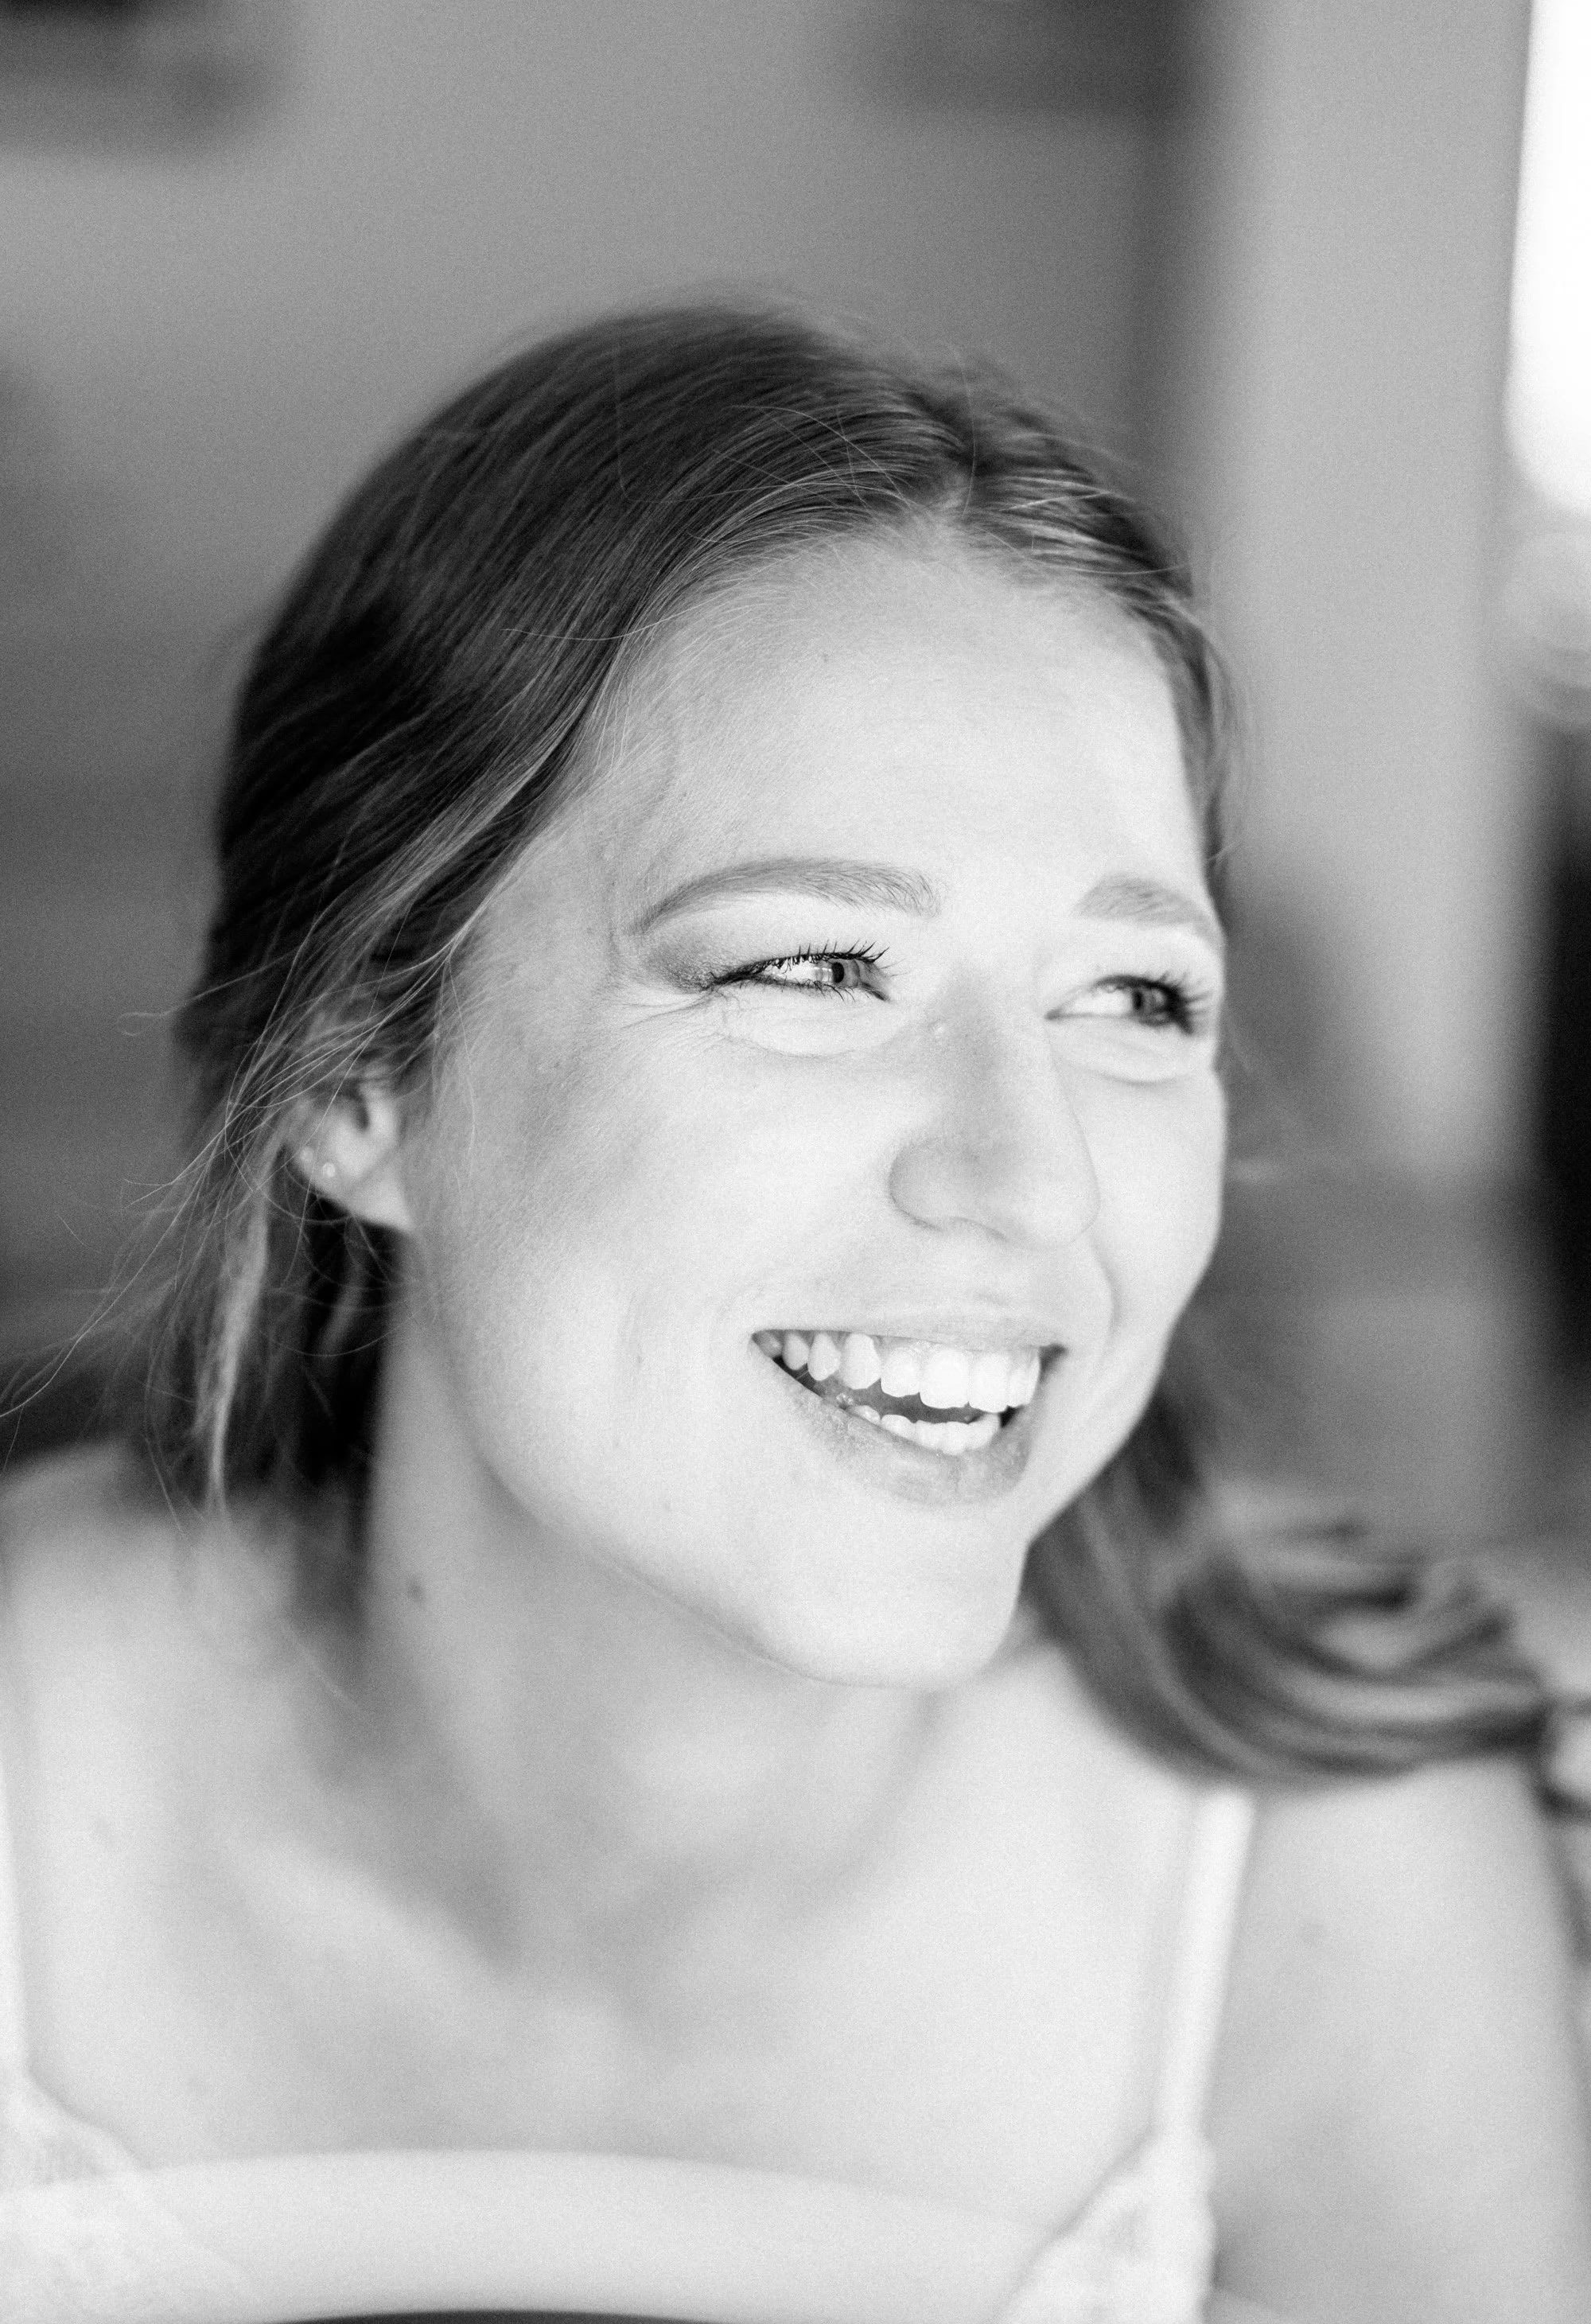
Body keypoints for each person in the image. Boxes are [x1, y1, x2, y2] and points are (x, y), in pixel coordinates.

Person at [1, 303, 1588, 2324]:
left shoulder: (1329, 1886)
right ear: (354, 1080)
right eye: (815, 971)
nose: (1027, 1183)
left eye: (1134, 1000)